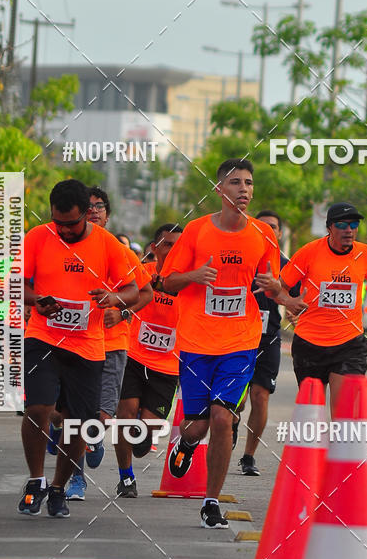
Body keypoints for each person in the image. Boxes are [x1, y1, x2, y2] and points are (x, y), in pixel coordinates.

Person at [161, 158, 280, 528]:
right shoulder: (196, 231)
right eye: (234, 183)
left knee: (222, 417)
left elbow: (273, 283)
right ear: (219, 190)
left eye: (248, 183)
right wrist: (194, 275)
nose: (243, 189)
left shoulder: (264, 234)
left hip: (241, 340)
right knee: (197, 426)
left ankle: (210, 501)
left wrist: (282, 293)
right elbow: (167, 282)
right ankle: (186, 443)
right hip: (197, 341)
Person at [19, 179, 138, 518]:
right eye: (59, 223)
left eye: (72, 224)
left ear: (87, 213)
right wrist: (37, 300)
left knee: (79, 423)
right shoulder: (38, 237)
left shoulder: (107, 244)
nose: (65, 230)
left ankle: (58, 488)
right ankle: (36, 480)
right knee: (38, 408)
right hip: (43, 336)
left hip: (87, 345)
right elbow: (16, 285)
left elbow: (133, 289)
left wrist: (114, 298)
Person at [63, 186, 152, 501]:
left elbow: (146, 293)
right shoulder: (65, 248)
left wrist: (123, 312)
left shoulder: (120, 252)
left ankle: (95, 438)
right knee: (70, 416)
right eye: (87, 206)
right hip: (72, 342)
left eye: (99, 206)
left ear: (108, 214)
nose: (93, 211)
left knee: (101, 418)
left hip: (111, 344)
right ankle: (76, 479)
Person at [279, 202, 367, 409]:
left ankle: (339, 441)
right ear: (329, 227)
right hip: (310, 343)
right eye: (342, 225)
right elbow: (281, 286)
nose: (349, 230)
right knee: (312, 413)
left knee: (344, 412)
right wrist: (288, 301)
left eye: (354, 224)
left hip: (349, 344)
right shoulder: (308, 253)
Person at [114, 223, 183, 497]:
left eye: (179, 245)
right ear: (154, 248)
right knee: (125, 413)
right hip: (133, 354)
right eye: (167, 244)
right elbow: (125, 297)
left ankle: (142, 439)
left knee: (146, 430)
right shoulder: (141, 274)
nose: (173, 250)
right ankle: (126, 477)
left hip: (168, 364)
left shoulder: (190, 282)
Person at [234, 209, 298, 476]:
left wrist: (296, 311)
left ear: (280, 233)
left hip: (268, 338)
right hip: (237, 337)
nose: (268, 230)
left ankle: (248, 456)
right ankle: (231, 426)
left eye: (273, 227)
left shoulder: (287, 265)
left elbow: (297, 298)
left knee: (260, 396)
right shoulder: (242, 258)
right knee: (237, 400)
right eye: (263, 226)